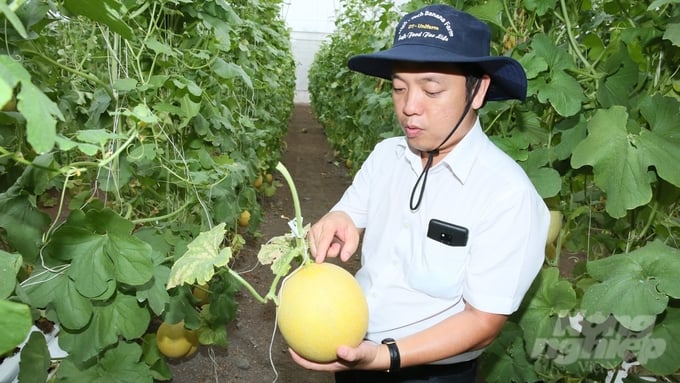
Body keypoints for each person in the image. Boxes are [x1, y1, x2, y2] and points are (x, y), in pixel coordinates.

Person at [292, 4, 550, 382]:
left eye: (431, 89)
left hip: (430, 373)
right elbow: (350, 212)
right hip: (355, 352)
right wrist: (338, 219)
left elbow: (483, 321)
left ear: (478, 91)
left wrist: (385, 356)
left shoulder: (507, 195)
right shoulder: (386, 156)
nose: (409, 107)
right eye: (399, 88)